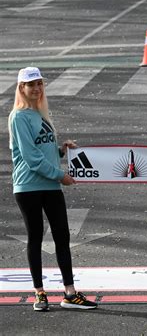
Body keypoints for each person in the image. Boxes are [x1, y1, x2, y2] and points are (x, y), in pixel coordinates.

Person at [8, 67, 98, 311]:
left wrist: (61, 150)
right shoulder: (18, 117)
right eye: (31, 84)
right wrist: (61, 176)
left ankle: (69, 293)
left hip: (50, 184)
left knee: (62, 237)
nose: (36, 88)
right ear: (21, 88)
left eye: (39, 84)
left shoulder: (40, 113)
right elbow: (30, 158)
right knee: (35, 237)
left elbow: (42, 150)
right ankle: (39, 293)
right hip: (28, 187)